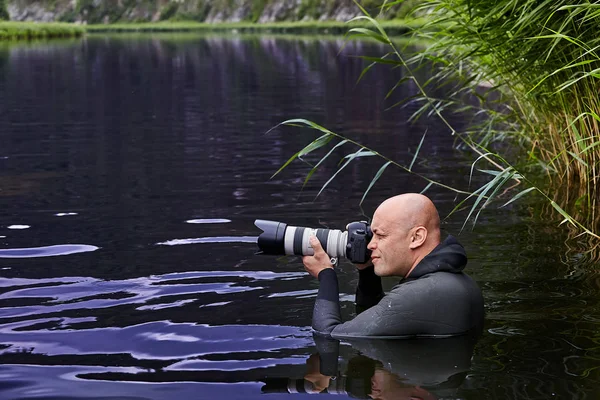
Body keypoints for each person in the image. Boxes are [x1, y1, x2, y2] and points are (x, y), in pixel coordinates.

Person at [302, 193, 484, 339]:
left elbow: (328, 334)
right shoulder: (447, 281)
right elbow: (373, 318)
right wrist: (366, 271)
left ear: (416, 238)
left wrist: (326, 274)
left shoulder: (424, 293)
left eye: (380, 236)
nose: (370, 245)